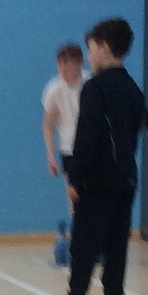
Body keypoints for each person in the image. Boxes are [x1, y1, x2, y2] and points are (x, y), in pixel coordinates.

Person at [36, 17, 144, 295]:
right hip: (126, 176)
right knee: (116, 243)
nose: (89, 55)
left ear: (104, 47)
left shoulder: (95, 87)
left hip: (97, 179)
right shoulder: (133, 89)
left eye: (91, 48)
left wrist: (76, 178)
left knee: (83, 242)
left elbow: (88, 137)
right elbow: (131, 136)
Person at [42, 42, 85, 194]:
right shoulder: (53, 90)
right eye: (61, 68)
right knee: (73, 196)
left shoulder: (91, 84)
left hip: (92, 148)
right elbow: (48, 125)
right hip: (68, 149)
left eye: (68, 68)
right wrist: (51, 155)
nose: (64, 73)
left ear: (80, 64)